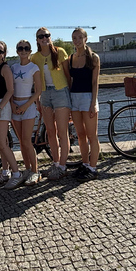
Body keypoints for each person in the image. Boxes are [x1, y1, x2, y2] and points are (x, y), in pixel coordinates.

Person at [30, 27, 72, 181]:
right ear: (37, 39)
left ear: (50, 37)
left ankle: (62, 166)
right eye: (41, 36)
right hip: (45, 94)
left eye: (46, 35)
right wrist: (37, 101)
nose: (44, 38)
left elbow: (67, 74)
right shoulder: (35, 58)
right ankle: (55, 163)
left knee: (62, 131)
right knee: (50, 131)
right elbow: (35, 82)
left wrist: (70, 95)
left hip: (61, 92)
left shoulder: (60, 52)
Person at [0, 41, 24, 189]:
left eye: (0, 51)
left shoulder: (5, 68)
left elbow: (10, 90)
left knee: (2, 143)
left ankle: (16, 173)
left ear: (4, 54)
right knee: (1, 143)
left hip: (2, 105)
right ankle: (5, 171)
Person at [68, 28, 101, 180]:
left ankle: (93, 168)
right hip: (74, 98)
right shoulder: (71, 58)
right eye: (74, 38)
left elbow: (95, 82)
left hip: (88, 98)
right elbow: (70, 81)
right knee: (80, 135)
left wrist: (93, 103)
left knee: (92, 135)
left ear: (86, 38)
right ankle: (85, 164)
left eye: (80, 37)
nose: (77, 41)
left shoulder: (93, 58)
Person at [9, 39, 41, 186]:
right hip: (15, 106)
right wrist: (12, 104)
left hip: (27, 106)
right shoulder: (13, 67)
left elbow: (38, 91)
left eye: (26, 48)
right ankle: (27, 169)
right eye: (20, 48)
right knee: (21, 142)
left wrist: (26, 105)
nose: (23, 50)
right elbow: (9, 88)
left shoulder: (34, 68)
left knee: (27, 141)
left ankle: (35, 171)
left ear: (30, 50)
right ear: (17, 51)